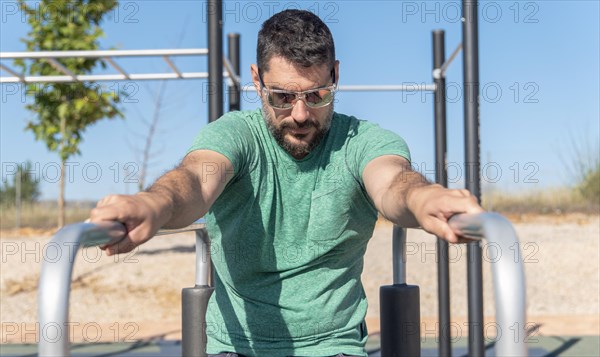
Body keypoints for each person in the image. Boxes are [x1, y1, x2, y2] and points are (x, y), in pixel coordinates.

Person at [91, 9, 483, 357]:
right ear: (257, 80)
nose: (299, 114)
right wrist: (153, 205)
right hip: (237, 347)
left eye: (317, 95)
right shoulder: (237, 136)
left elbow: (393, 183)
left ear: (336, 76)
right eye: (282, 96)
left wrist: (424, 197)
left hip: (333, 347)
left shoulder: (362, 141)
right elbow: (195, 179)